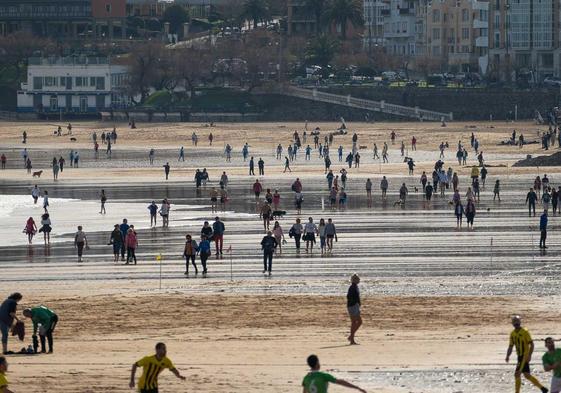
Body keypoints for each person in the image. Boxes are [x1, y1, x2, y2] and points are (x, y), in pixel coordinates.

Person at [506, 315, 548, 393]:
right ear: (512, 323)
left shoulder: (525, 331)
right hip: (519, 356)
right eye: (514, 321)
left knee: (517, 374)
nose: (516, 323)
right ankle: (543, 388)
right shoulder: (512, 334)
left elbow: (531, 344)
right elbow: (511, 346)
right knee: (526, 375)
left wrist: (529, 355)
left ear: (520, 322)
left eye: (517, 321)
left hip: (524, 356)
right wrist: (508, 355)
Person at [302, 354, 367, 393]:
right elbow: (341, 382)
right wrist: (357, 387)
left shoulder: (306, 378)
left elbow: (304, 392)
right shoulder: (323, 376)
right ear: (317, 364)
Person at [347, 274, 362, 345]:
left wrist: (358, 304)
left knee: (359, 322)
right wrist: (355, 303)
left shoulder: (355, 286)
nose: (359, 280)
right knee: (354, 322)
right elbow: (349, 297)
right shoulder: (352, 287)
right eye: (358, 279)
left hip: (355, 306)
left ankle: (351, 337)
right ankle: (352, 339)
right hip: (352, 306)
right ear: (354, 280)